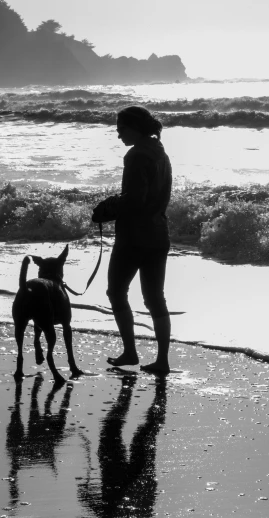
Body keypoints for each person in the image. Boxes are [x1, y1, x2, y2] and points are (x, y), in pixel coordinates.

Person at [92, 106, 172, 373]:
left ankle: (130, 352)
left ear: (135, 127)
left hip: (134, 237)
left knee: (116, 292)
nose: (118, 136)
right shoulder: (160, 152)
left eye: (121, 129)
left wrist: (109, 206)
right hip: (159, 233)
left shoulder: (136, 155)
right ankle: (162, 361)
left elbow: (135, 200)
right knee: (155, 299)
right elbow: (152, 198)